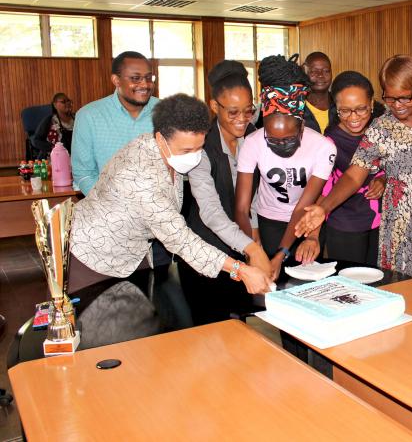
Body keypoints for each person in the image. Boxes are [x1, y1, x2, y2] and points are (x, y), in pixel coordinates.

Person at [69, 94, 271, 348]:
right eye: (187, 150)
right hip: (93, 255)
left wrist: (248, 248)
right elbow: (180, 240)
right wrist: (240, 270)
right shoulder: (141, 176)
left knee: (135, 337)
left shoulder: (170, 152)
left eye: (199, 147)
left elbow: (207, 209)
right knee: (98, 341)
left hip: (133, 253)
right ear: (160, 139)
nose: (195, 156)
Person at [296, 54, 412, 295]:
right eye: (390, 98)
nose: (397, 105)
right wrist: (324, 208)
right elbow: (353, 176)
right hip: (403, 232)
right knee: (408, 298)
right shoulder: (381, 128)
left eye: (405, 97)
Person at [180, 60, 271, 325]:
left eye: (248, 111)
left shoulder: (256, 137)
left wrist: (254, 238)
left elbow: (255, 196)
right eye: (232, 112)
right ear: (213, 106)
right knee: (210, 329)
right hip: (209, 251)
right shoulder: (201, 145)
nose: (242, 119)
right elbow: (210, 212)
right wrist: (252, 248)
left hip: (245, 244)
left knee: (242, 324)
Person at [234, 54, 337, 280]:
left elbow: (304, 206)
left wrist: (281, 254)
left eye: (288, 139)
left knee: (307, 281)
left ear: (301, 127)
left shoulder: (322, 147)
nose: (281, 146)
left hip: (306, 221)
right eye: (273, 139)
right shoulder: (252, 143)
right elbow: (241, 208)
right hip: (269, 219)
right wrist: (251, 249)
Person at [313, 71, 386, 266]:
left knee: (379, 284)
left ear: (371, 104)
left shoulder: (381, 131)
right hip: (345, 225)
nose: (354, 117)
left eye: (361, 109)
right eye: (345, 110)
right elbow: (323, 190)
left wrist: (383, 180)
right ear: (335, 108)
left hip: (382, 222)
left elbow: (397, 166)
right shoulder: (329, 143)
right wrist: (313, 233)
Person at [71, 51, 159, 195]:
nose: (145, 84)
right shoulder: (89, 116)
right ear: (116, 80)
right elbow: (84, 173)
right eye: (136, 78)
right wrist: (111, 206)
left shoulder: (168, 112)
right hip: (107, 210)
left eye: (149, 78)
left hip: (159, 209)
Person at [31, 92, 75, 157]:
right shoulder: (49, 120)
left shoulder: (76, 118)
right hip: (53, 158)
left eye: (68, 101)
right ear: (55, 105)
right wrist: (53, 148)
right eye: (63, 102)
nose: (67, 103)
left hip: (75, 158)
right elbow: (35, 141)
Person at [302, 51, 335, 133]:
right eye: (313, 71)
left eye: (326, 71)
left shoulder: (340, 104)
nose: (320, 75)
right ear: (305, 74)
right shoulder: (296, 108)